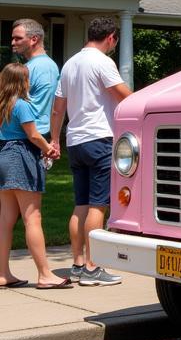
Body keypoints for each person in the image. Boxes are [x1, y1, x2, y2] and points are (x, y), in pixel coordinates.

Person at [50, 16, 132, 286]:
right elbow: (124, 96)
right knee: (98, 205)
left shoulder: (70, 64)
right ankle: (93, 268)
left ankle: (76, 265)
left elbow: (58, 108)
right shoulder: (102, 62)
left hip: (75, 141)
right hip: (99, 139)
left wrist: (55, 139)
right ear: (110, 38)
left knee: (81, 205)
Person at [0, 63, 69, 288]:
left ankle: (2, 274)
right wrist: (49, 148)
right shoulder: (22, 105)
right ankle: (45, 275)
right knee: (33, 218)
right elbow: (32, 134)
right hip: (20, 158)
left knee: (5, 220)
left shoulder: (2, 106)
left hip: (3, 157)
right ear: (23, 82)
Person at [11, 18, 60, 144]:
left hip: (28, 139)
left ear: (34, 39)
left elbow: (39, 108)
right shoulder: (34, 65)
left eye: (18, 38)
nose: (13, 42)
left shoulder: (42, 66)